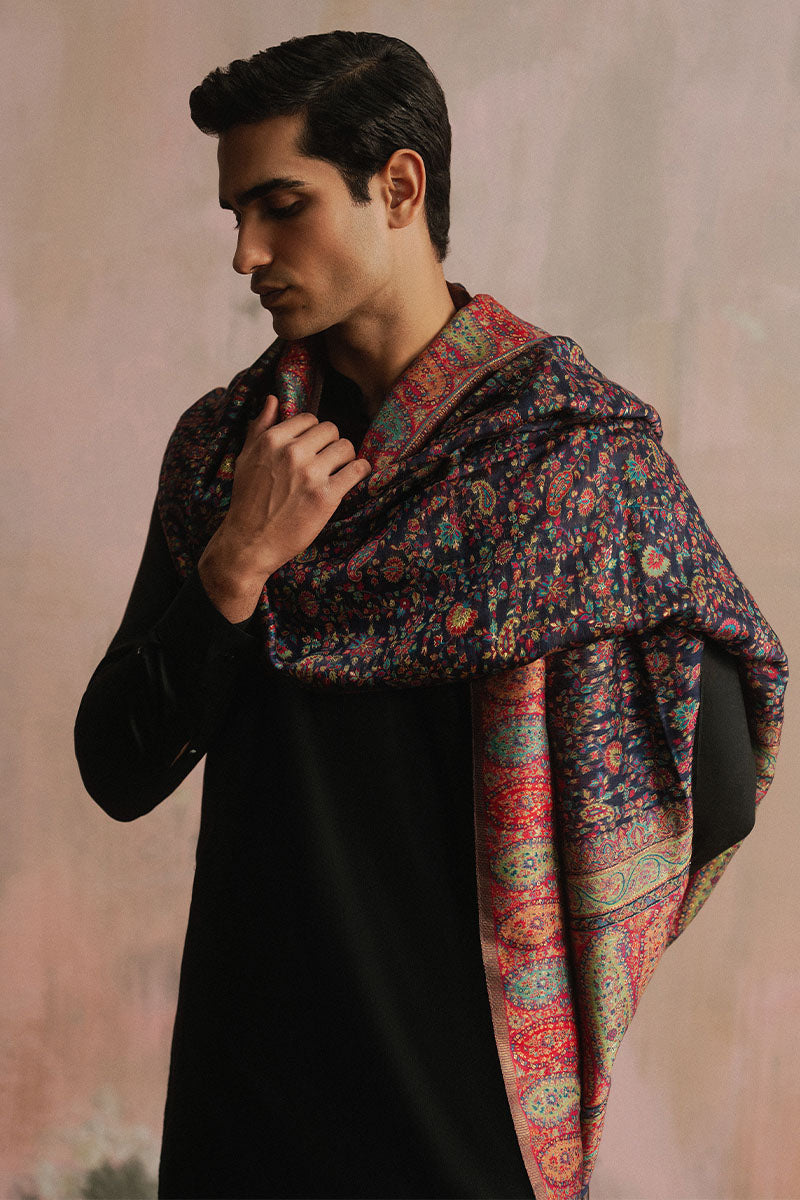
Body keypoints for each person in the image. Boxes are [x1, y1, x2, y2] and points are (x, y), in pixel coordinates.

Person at [74, 30, 787, 1200]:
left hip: (459, 1117)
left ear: (398, 187)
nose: (246, 253)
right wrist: (236, 565)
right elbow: (117, 766)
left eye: (281, 206)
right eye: (235, 216)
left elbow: (708, 785)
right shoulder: (227, 456)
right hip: (241, 1109)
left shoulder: (566, 466)